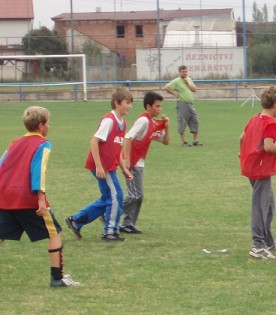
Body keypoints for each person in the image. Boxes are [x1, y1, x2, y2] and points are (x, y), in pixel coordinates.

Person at [0, 106, 80, 287]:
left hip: (5, 196)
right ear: (41, 126)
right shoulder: (43, 144)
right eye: (48, 123)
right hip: (26, 198)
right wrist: (41, 199)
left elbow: (1, 165)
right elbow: (38, 171)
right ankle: (57, 278)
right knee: (54, 233)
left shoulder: (14, 143)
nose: (49, 126)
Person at [65, 88, 133, 242]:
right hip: (102, 167)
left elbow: (117, 149)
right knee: (116, 196)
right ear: (117, 103)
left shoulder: (123, 123)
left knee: (109, 198)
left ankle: (76, 220)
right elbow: (94, 141)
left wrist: (124, 169)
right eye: (127, 103)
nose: (130, 106)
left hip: (109, 167)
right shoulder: (109, 121)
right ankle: (110, 232)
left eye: (131, 103)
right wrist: (99, 166)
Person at [239, 86, 276, 260]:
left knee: (269, 205)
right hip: (261, 168)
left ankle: (268, 241)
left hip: (252, 166)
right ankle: (257, 245)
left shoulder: (255, 118)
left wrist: (242, 153)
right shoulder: (271, 123)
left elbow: (242, 137)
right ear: (275, 105)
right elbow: (268, 146)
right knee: (260, 206)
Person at [120, 91, 171, 234]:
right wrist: (127, 159)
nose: (160, 109)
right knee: (135, 195)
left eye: (161, 106)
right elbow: (128, 137)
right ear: (148, 106)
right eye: (157, 106)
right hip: (132, 162)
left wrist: (167, 126)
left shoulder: (152, 123)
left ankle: (128, 224)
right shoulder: (143, 120)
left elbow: (166, 141)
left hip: (139, 162)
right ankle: (109, 212)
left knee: (138, 195)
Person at [164, 65, 200, 147]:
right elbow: (166, 87)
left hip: (190, 104)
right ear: (179, 72)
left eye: (185, 71)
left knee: (195, 120)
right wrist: (174, 94)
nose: (184, 73)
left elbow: (194, 89)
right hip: (182, 103)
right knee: (182, 121)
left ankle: (195, 140)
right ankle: (183, 142)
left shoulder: (189, 79)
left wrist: (187, 83)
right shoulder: (176, 81)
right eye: (183, 72)